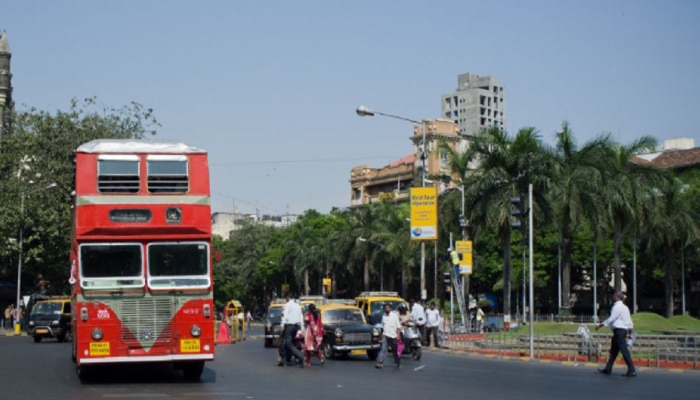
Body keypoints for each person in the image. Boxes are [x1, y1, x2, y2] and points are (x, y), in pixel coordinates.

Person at [596, 291, 636, 377]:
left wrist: (601, 324)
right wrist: (630, 333)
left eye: (614, 296)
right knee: (614, 351)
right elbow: (629, 322)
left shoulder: (617, 307)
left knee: (624, 350)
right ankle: (608, 368)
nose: (612, 297)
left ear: (617, 297)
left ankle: (631, 369)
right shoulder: (625, 308)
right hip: (622, 331)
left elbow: (611, 318)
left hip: (619, 331)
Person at [278, 293, 305, 368]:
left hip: (289, 326)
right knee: (289, 343)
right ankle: (284, 360)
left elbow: (285, 316)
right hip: (296, 327)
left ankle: (301, 356)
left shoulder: (288, 305)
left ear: (287, 297)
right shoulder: (297, 306)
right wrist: (302, 329)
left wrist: (282, 325)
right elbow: (301, 317)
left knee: (288, 343)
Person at [375, 303, 402, 369]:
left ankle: (397, 362)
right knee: (383, 349)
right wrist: (381, 335)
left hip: (393, 336)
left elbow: (398, 326)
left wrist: (398, 335)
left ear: (390, 308)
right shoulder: (383, 316)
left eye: (388, 308)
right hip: (385, 335)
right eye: (385, 308)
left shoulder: (394, 316)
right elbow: (382, 326)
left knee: (394, 350)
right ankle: (380, 362)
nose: (387, 309)